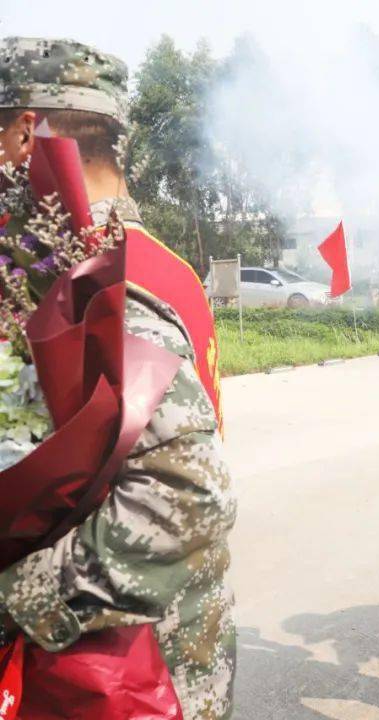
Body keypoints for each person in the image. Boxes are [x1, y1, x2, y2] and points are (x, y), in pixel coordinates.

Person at [0, 37, 236, 719]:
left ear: (22, 137)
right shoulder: (161, 265)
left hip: (119, 676)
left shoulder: (90, 285)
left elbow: (187, 497)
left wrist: (11, 600)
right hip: (174, 644)